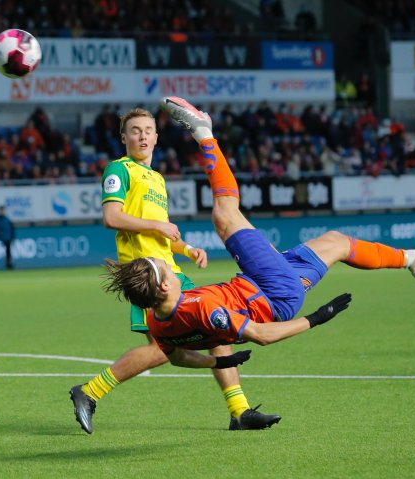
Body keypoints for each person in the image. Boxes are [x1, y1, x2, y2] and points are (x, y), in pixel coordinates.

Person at [102, 96, 415, 364]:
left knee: (336, 243)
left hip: (278, 298)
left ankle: (414, 258)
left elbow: (175, 356)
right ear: (164, 286)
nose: (171, 270)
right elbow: (259, 335)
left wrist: (218, 360)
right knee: (225, 214)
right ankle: (204, 132)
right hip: (271, 292)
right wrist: (316, 319)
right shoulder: (201, 307)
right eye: (166, 269)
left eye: (148, 130)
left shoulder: (164, 325)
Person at [70, 107, 281, 435]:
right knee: (162, 349)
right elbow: (112, 217)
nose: (141, 135)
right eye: (135, 130)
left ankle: (239, 411)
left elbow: (160, 232)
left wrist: (186, 249)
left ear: (156, 137)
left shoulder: (157, 179)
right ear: (123, 138)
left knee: (217, 326)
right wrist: (157, 225)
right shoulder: (119, 169)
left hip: (171, 271)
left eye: (147, 130)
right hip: (147, 275)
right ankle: (89, 391)